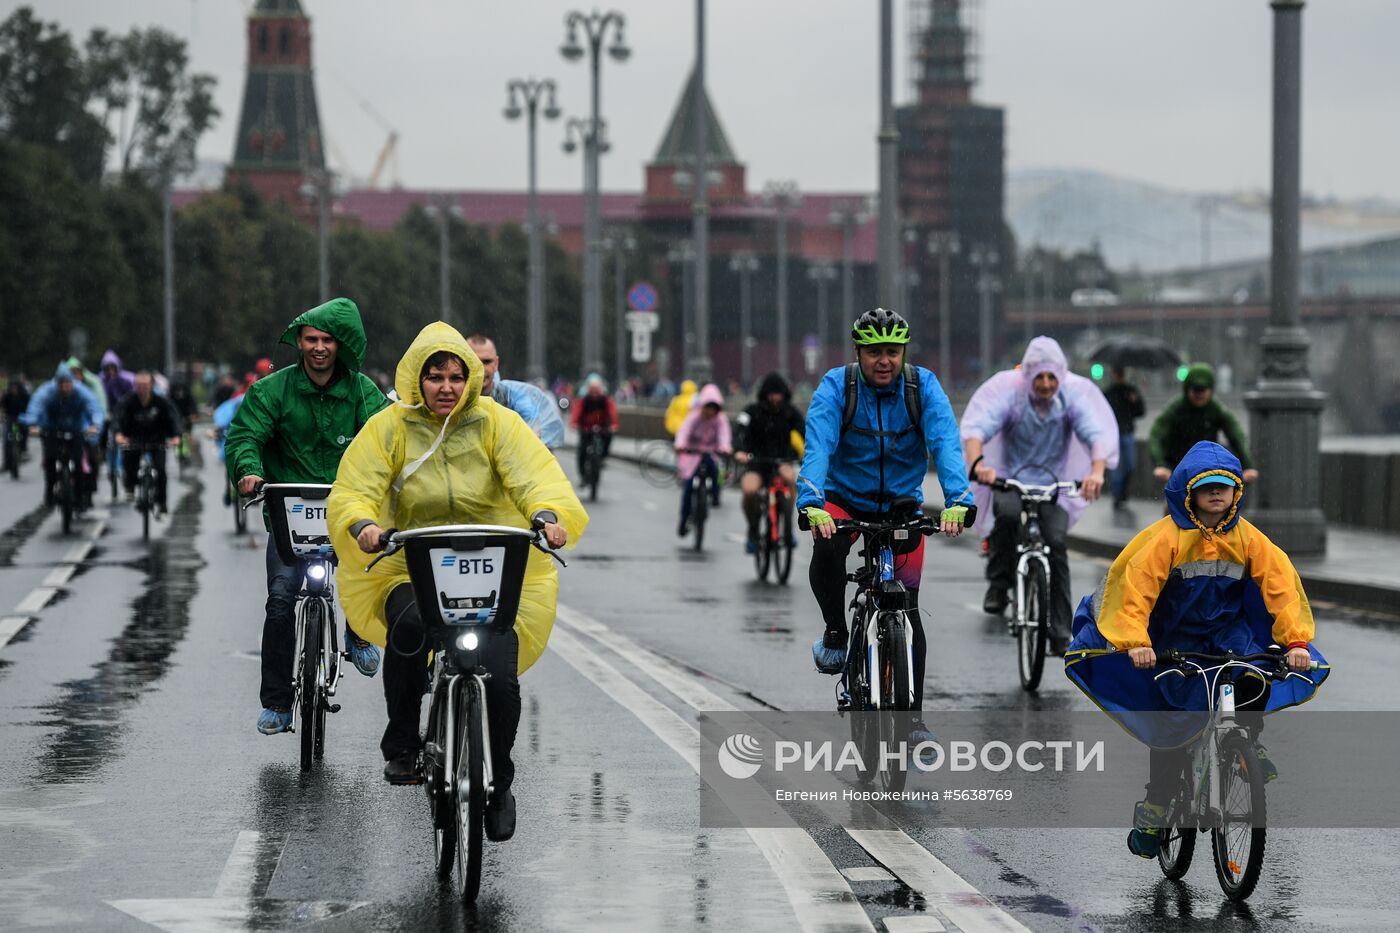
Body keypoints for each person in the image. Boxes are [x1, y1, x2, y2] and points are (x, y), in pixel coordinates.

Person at [327, 322, 587, 841]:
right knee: (405, 627)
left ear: (470, 379)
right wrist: (365, 526)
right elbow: (355, 486)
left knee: (502, 680)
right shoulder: (390, 427)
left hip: (495, 561)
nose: (445, 386)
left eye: (455, 376)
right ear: (415, 380)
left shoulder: (496, 423)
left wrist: (546, 514)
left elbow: (532, 475)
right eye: (434, 376)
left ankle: (500, 784)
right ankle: (402, 743)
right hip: (410, 562)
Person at [1063, 441, 1328, 859]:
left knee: (1254, 675)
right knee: (1172, 727)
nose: (1218, 494)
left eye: (1226, 486)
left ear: (1236, 493)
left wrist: (1295, 641)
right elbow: (1133, 591)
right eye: (1209, 488)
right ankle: (1155, 807)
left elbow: (1281, 587)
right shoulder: (1164, 540)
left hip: (1227, 634)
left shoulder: (1249, 538)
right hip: (1174, 640)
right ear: (1189, 492)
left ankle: (1246, 742)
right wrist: (1136, 643)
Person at [797, 309, 973, 739]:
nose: (884, 361)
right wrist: (811, 501)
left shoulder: (922, 388)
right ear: (858, 352)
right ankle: (837, 632)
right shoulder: (837, 387)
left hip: (901, 505)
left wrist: (958, 500)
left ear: (903, 353)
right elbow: (818, 446)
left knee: (909, 612)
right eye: (874, 352)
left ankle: (913, 721)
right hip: (843, 498)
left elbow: (946, 443)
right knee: (828, 547)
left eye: (892, 352)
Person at [224, 298, 389, 736]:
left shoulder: (362, 392)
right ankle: (277, 702)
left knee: (364, 575)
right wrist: (248, 471)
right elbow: (245, 436)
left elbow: (386, 438)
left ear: (340, 345)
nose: (318, 348)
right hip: (289, 519)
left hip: (347, 514)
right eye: (311, 339)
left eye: (327, 340)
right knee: (280, 600)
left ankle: (359, 632)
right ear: (299, 342)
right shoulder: (271, 391)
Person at [961, 336, 1117, 655]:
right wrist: (978, 464)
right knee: (1005, 517)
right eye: (1039, 377)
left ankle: (1060, 630)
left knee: (1056, 545)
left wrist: (1097, 472)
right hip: (1011, 480)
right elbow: (978, 430)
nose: (1045, 385)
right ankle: (999, 584)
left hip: (1052, 487)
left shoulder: (1068, 402)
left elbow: (1094, 435)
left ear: (1060, 377)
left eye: (1051, 377)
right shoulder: (1013, 400)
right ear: (1028, 377)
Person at [1149, 362, 1258, 485]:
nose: (1199, 395)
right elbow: (1156, 435)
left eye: (1203, 390)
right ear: (1187, 389)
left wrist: (1248, 465)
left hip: (1205, 467)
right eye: (1195, 390)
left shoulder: (1216, 409)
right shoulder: (1176, 409)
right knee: (1176, 500)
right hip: (1177, 467)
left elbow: (1236, 435)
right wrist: (1160, 464)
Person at [734, 372, 805, 554]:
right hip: (757, 463)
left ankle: (788, 526)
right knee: (750, 491)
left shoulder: (790, 412)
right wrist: (740, 450)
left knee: (790, 479)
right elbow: (739, 430)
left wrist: (810, 452)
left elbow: (806, 432)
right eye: (772, 393)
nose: (775, 398)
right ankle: (753, 528)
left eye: (779, 393)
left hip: (781, 460)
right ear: (765, 394)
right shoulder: (752, 410)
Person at [21, 363, 103, 507]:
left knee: (79, 462)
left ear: (72, 383)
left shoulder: (81, 391)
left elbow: (94, 406)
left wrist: (95, 424)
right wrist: (32, 424)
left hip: (76, 430)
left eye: (67, 383)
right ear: (56, 383)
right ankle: (49, 493)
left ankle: (79, 495)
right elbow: (36, 405)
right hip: (52, 430)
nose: (64, 388)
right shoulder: (47, 391)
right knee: (50, 461)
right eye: (61, 384)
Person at [466, 334, 566, 450]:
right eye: (473, 360)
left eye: (486, 361)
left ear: (496, 364)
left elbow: (532, 422)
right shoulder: (449, 395)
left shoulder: (511, 396)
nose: (481, 368)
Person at [113, 371, 183, 513]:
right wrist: (118, 434)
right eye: (139, 385)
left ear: (151, 385)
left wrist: (176, 436)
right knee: (129, 464)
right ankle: (131, 486)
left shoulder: (161, 401)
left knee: (161, 471)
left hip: (157, 440)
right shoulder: (128, 401)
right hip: (134, 438)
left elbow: (173, 417)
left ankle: (162, 503)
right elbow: (118, 417)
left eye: (145, 385)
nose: (142, 389)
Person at [674, 383, 731, 536]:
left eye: (713, 408)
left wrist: (725, 447)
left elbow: (724, 435)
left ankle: (715, 493)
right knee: (688, 487)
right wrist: (680, 444)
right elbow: (684, 431)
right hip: (692, 454)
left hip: (711, 453)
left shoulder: (720, 420)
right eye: (707, 407)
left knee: (718, 471)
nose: (710, 412)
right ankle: (684, 519)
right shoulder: (693, 417)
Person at [1102, 366, 1145, 509]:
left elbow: (1140, 411)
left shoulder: (1131, 391)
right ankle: (1117, 495)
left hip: (1127, 432)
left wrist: (1135, 401)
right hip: (1113, 434)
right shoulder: (1109, 392)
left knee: (1130, 465)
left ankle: (1123, 492)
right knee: (1116, 468)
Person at [570, 373, 620, 477]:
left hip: (602, 427)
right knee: (582, 451)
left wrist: (614, 424)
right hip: (586, 428)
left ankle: (603, 457)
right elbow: (577, 412)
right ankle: (582, 473)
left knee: (608, 438)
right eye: (592, 389)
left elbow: (612, 412)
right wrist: (574, 423)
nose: (595, 393)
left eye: (597, 389)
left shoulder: (605, 400)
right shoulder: (584, 401)